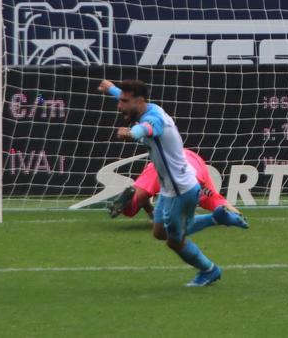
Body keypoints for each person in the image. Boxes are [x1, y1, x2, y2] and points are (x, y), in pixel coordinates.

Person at [99, 78, 223, 287]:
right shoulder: (147, 106)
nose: (119, 106)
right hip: (168, 187)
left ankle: (209, 269)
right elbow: (129, 100)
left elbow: (146, 129)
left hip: (181, 188)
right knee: (159, 232)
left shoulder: (154, 119)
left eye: (123, 101)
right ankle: (216, 219)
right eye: (119, 100)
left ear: (139, 102)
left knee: (175, 240)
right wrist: (111, 88)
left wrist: (131, 133)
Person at [108, 147, 249, 234]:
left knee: (132, 206)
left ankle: (131, 200)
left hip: (161, 165)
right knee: (204, 203)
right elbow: (214, 197)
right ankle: (231, 215)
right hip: (191, 169)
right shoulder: (200, 174)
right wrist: (237, 213)